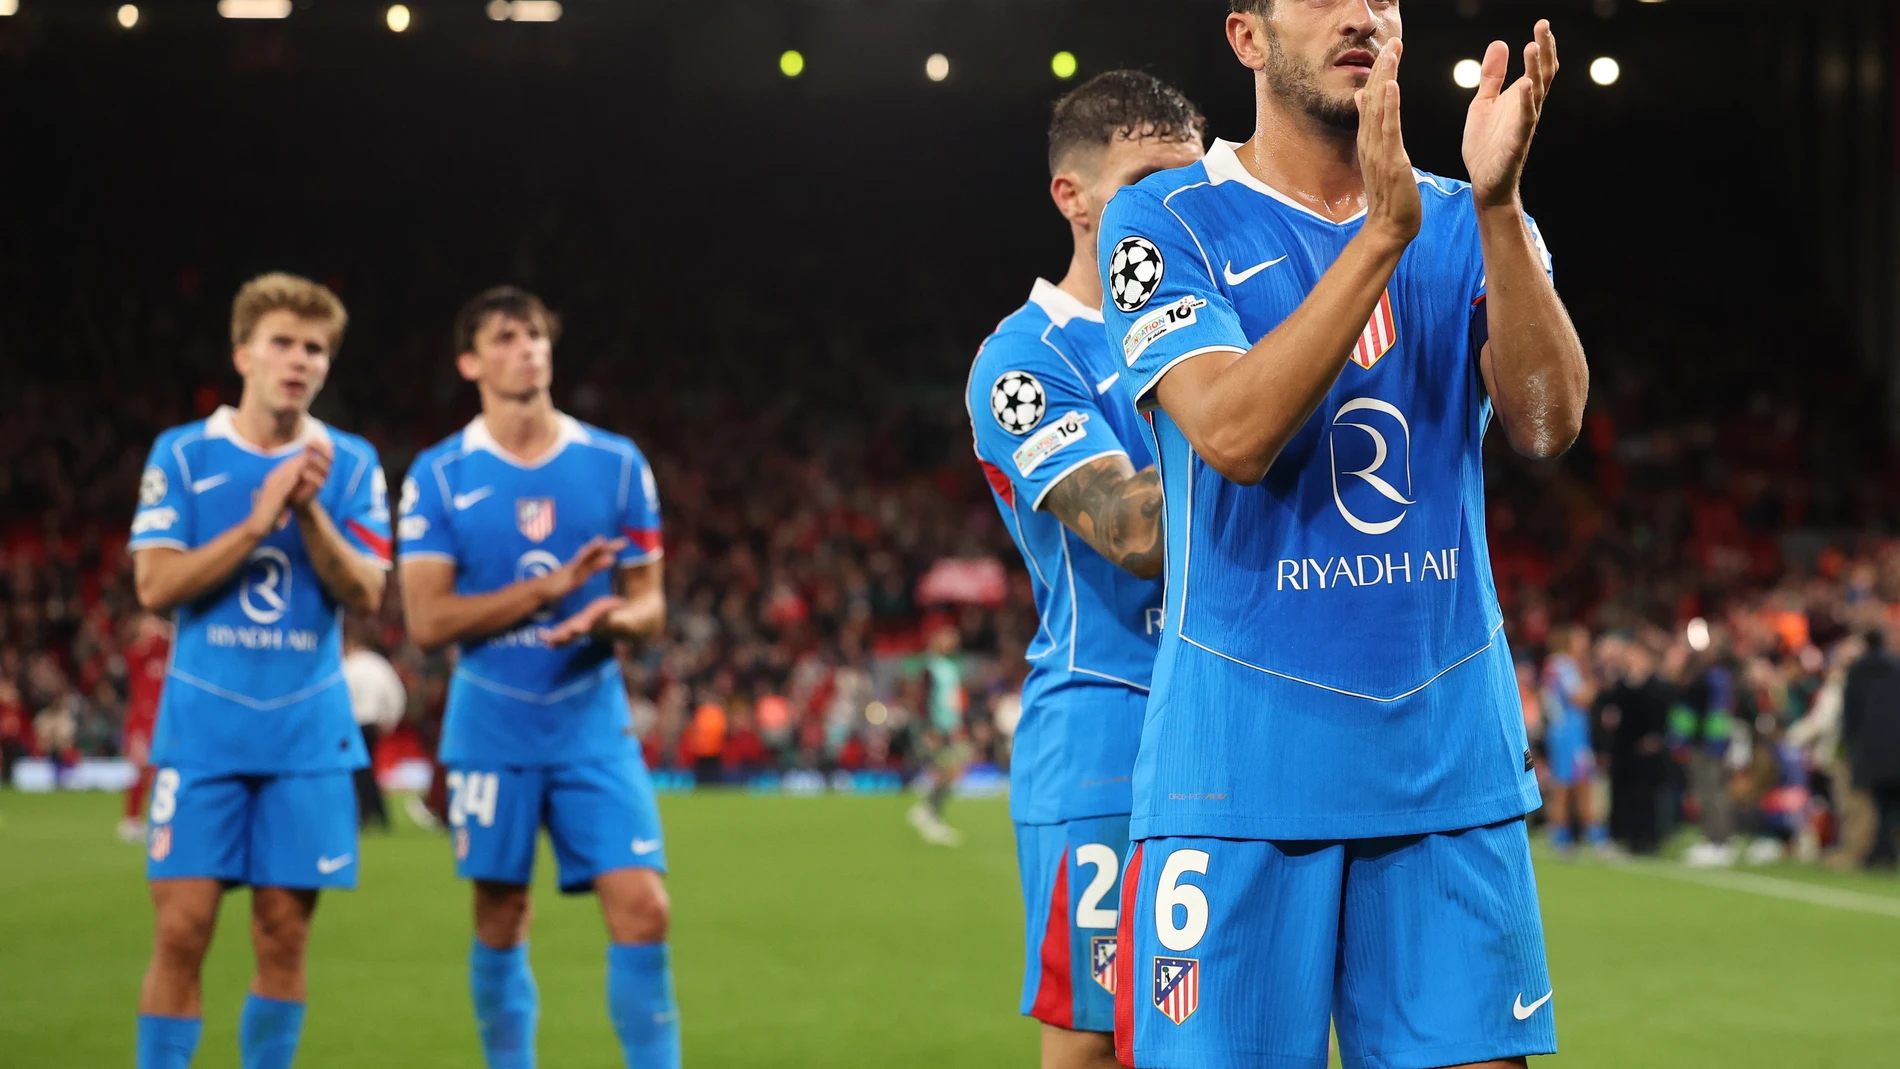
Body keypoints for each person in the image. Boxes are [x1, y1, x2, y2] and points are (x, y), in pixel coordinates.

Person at [1098, 3, 1586, 1066]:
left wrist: (1498, 207)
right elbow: (1232, 431)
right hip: (1235, 776)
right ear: (1246, 38)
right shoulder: (1167, 222)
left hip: (1444, 771)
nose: (1361, 12)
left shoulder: (1471, 220)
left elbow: (1546, 422)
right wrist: (1378, 238)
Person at [964, 69, 1201, 1069]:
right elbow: (1134, 531)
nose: (1178, 206)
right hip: (1108, 720)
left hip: (1226, 716)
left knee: (1239, 1026)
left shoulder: (1223, 326)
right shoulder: (1023, 362)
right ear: (1074, 197)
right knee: (1097, 1045)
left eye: (1191, 181)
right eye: (1149, 178)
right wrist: (1250, 420)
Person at [398, 286, 676, 1069]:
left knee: (645, 908)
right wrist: (545, 592)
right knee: (501, 913)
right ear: (470, 361)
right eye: (507, 336)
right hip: (491, 722)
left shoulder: (616, 464)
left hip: (593, 718)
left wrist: (610, 619)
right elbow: (426, 621)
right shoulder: (439, 475)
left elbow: (649, 602)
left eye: (537, 334)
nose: (528, 348)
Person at [128, 273, 392, 1069]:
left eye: (315, 348)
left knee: (283, 934)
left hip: (307, 735)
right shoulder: (182, 453)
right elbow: (156, 586)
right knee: (182, 930)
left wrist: (308, 510)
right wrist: (256, 519)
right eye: (282, 342)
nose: (300, 360)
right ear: (242, 352)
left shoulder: (350, 462)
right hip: (204, 729)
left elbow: (369, 593)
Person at [1541, 624, 1607, 854]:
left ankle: (1578, 836)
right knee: (1567, 784)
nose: (1586, 644)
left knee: (1580, 781)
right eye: (1581, 639)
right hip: (1568, 734)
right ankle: (1569, 837)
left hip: (1569, 733)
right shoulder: (1563, 665)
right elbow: (1579, 697)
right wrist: (1594, 682)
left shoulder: (1558, 665)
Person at [1842, 628, 1900, 871]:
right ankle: (1884, 850)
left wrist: (1850, 742)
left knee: (1876, 803)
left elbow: (1850, 712)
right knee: (1890, 804)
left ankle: (1879, 850)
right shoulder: (1896, 668)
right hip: (1896, 747)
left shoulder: (1857, 671)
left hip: (1869, 748)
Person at [342, 623, 406, 831]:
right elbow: (396, 694)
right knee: (366, 770)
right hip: (373, 724)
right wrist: (390, 720)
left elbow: (339, 699)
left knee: (359, 771)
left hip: (354, 724)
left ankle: (366, 814)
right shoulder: (379, 665)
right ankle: (376, 814)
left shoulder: (348, 665)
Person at [118, 612, 172, 843]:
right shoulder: (136, 654)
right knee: (140, 770)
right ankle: (131, 820)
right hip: (141, 723)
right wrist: (157, 634)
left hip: (163, 721)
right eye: (147, 624)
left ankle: (160, 819)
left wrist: (165, 631)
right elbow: (141, 653)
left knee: (162, 773)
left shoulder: (166, 651)